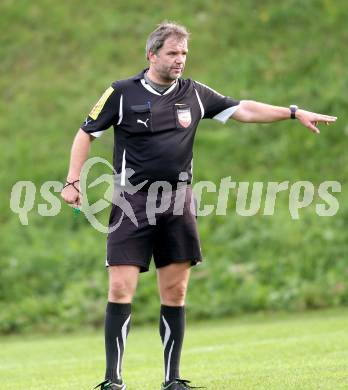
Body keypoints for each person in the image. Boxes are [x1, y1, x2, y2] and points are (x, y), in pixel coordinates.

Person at [61, 21, 337, 390]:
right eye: (173, 53)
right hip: (133, 201)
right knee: (120, 288)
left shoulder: (194, 93)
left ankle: (172, 379)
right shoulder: (121, 92)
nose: (180, 60)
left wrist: (292, 112)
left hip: (178, 201)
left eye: (184, 54)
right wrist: (72, 181)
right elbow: (86, 133)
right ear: (152, 54)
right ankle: (113, 381)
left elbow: (244, 109)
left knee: (175, 292)